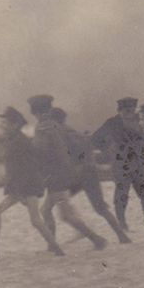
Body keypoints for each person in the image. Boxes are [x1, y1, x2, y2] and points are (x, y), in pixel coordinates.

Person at [0, 107, 64, 258]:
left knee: (34, 219)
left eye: (5, 122)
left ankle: (57, 249)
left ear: (15, 124)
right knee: (4, 214)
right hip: (23, 186)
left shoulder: (19, 142)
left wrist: (21, 194)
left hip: (26, 186)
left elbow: (25, 169)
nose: (2, 125)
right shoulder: (15, 140)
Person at [29, 95, 108, 251]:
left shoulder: (43, 127)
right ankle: (52, 244)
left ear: (36, 111)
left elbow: (42, 150)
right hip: (62, 173)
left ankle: (96, 239)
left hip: (55, 176)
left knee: (65, 215)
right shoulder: (55, 125)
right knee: (46, 210)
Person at [51, 108, 130, 243]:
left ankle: (118, 236)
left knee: (95, 208)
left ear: (55, 121)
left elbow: (79, 151)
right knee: (96, 207)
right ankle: (120, 236)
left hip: (82, 174)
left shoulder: (64, 133)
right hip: (83, 173)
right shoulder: (68, 131)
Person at [91, 97, 144, 231]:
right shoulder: (112, 123)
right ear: (119, 111)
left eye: (132, 110)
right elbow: (95, 139)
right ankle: (122, 223)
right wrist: (108, 150)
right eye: (126, 110)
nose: (129, 113)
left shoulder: (139, 121)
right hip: (120, 164)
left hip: (137, 163)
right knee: (122, 194)